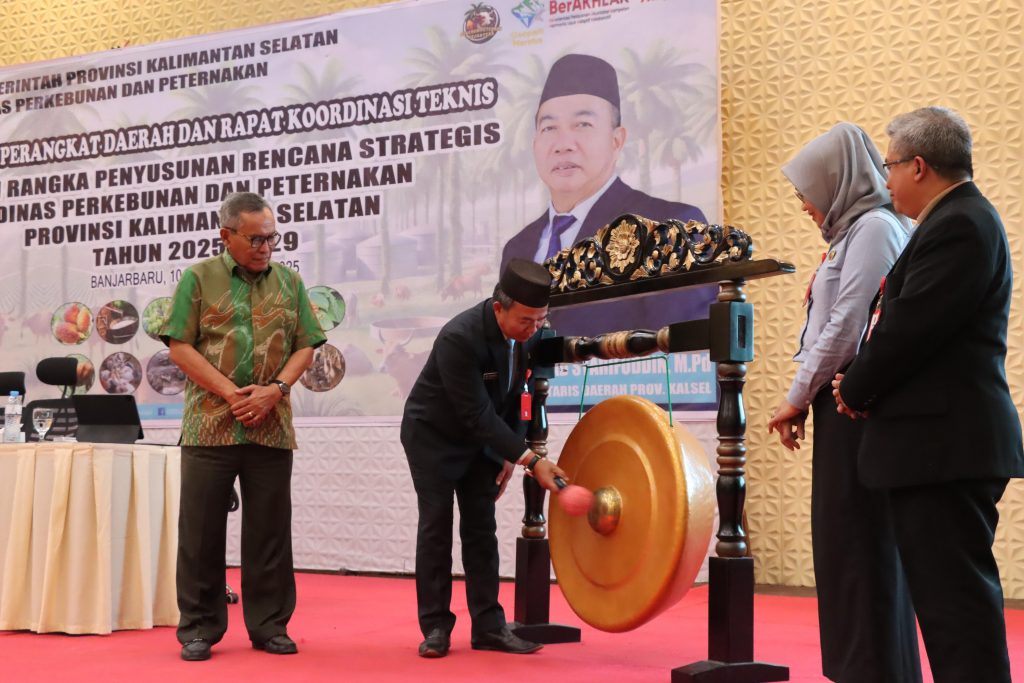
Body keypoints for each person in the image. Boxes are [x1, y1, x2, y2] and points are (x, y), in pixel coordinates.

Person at [833, 107, 1024, 683]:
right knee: (948, 608)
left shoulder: (961, 224)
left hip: (945, 449)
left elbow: (910, 329)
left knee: (956, 612)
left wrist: (857, 385)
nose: (885, 181)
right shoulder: (952, 220)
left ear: (919, 166)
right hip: (937, 446)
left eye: (889, 166)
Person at [765, 123, 920, 683]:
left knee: (862, 551)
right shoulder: (853, 233)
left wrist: (794, 396)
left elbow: (846, 326)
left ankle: (873, 672)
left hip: (859, 410)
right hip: (840, 405)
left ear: (837, 181)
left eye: (806, 189)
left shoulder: (876, 229)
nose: (803, 203)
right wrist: (807, 397)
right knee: (845, 550)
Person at [161, 192, 326, 662]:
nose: (265, 247)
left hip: (271, 427)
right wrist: (231, 393)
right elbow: (179, 346)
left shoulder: (290, 282)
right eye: (255, 238)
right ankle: (198, 628)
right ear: (226, 236)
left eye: (272, 237)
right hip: (209, 428)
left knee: (270, 533)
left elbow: (306, 346)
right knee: (200, 535)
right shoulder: (198, 279)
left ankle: (270, 625)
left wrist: (274, 389)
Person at [402, 258, 568, 658]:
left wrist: (509, 456)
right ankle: (436, 627)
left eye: (541, 321)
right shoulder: (459, 337)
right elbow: (475, 412)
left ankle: (489, 627)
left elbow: (514, 400)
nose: (534, 330)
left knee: (481, 528)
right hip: (433, 438)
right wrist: (531, 459)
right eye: (527, 320)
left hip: (484, 440)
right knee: (437, 527)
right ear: (499, 308)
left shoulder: (530, 335)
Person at [500, 53, 716, 337]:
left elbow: (684, 351)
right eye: (549, 128)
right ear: (535, 143)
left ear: (617, 140)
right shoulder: (518, 248)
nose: (563, 144)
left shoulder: (668, 227)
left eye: (583, 125)